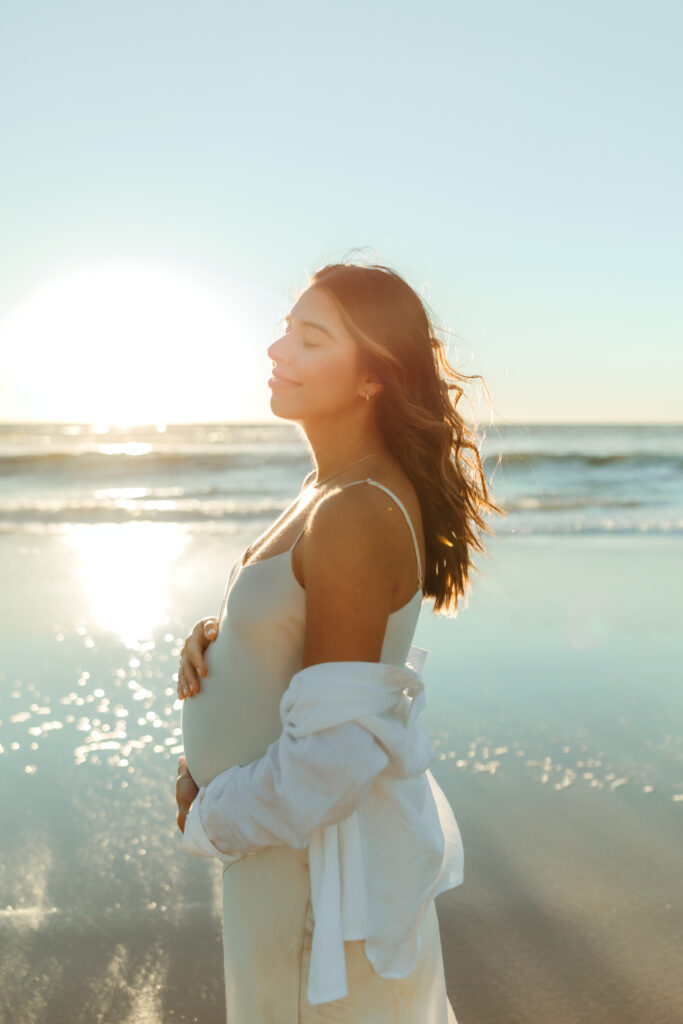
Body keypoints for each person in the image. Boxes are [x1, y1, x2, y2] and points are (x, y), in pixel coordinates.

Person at [174, 258, 504, 1022]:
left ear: (371, 378)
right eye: (285, 331)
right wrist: (224, 639)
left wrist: (205, 816)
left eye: (310, 339)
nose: (276, 351)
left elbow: (333, 760)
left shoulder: (355, 508)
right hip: (278, 861)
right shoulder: (324, 490)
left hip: (309, 878)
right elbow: (302, 633)